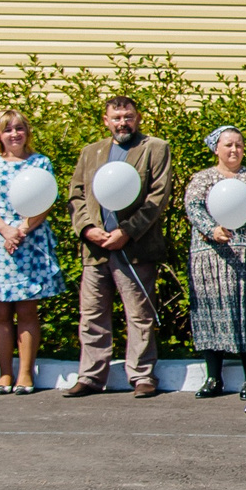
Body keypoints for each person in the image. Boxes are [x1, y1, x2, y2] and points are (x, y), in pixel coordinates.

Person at [67, 96, 173, 398]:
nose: (122, 123)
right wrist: (88, 229)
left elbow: (158, 197)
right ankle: (90, 376)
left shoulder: (154, 149)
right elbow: (76, 195)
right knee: (92, 315)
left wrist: (127, 231)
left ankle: (142, 376)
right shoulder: (91, 152)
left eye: (128, 117)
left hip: (135, 248)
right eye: (116, 118)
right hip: (96, 248)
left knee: (139, 315)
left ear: (137, 118)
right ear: (106, 120)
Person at [0, 108, 64, 396]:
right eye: (8, 129)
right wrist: (6, 231)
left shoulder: (40, 163)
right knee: (0, 313)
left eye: (19, 128)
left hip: (30, 239)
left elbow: (46, 200)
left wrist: (21, 229)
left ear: (27, 132)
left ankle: (25, 373)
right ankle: (4, 373)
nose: (14, 134)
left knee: (27, 310)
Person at [183, 127, 246, 399]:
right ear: (216, 148)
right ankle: (214, 378)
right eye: (228, 145)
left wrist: (235, 217)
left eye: (238, 144)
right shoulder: (202, 179)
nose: (234, 150)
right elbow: (194, 206)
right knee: (211, 313)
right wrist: (212, 228)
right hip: (210, 256)